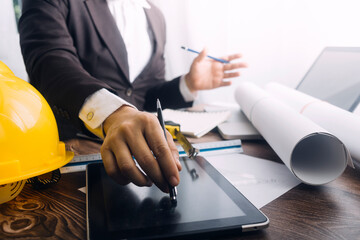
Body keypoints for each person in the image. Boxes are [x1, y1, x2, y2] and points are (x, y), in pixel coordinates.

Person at [19, 0, 247, 193]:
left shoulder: (155, 16)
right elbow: (49, 62)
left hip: (139, 158)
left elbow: (145, 97)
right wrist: (114, 114)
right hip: (70, 156)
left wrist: (187, 84)